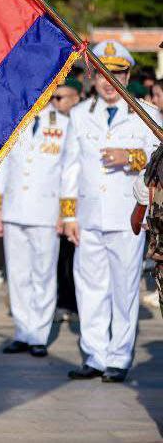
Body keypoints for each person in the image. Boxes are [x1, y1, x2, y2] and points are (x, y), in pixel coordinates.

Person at [60, 41, 161, 383]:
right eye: (103, 73)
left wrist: (130, 157)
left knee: (124, 287)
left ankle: (118, 357)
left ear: (128, 74)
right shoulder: (79, 114)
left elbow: (158, 162)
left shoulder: (147, 113)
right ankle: (94, 354)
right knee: (89, 287)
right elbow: (70, 166)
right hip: (89, 215)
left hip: (127, 216)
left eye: (117, 73)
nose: (109, 81)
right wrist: (69, 214)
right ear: (93, 76)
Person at [0, 99, 70, 358]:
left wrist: (65, 212)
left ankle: (39, 334)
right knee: (18, 273)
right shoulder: (14, 120)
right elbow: (2, 165)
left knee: (43, 274)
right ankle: (23, 331)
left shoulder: (64, 124)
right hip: (14, 208)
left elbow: (68, 172)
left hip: (46, 211)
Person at [51, 78, 83, 321]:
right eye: (53, 97)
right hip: (59, 202)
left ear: (76, 98)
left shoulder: (85, 123)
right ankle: (64, 300)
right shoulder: (50, 125)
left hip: (86, 202)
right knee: (62, 257)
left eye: (60, 98)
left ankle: (78, 302)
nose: (55, 102)